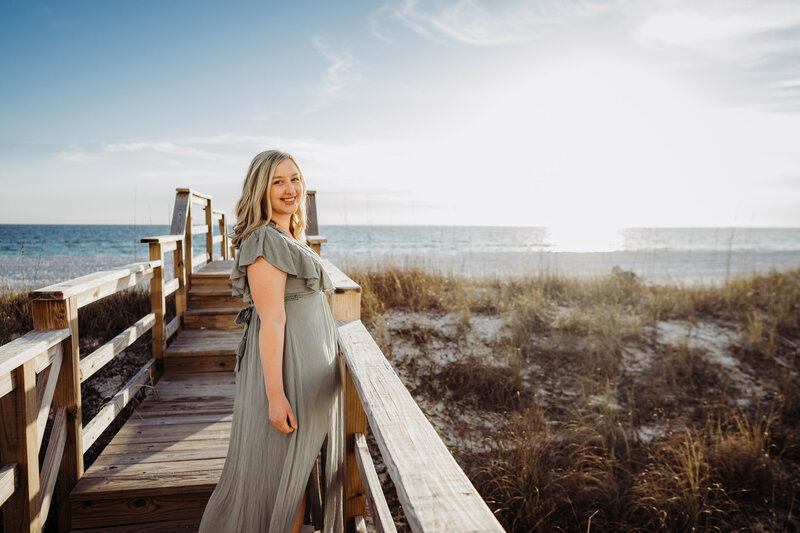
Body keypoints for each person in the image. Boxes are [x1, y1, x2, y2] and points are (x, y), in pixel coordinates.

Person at [198, 150, 344, 533]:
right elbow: (273, 320)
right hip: (287, 371)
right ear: (261, 189)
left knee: (292, 476)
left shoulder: (286, 234)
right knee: (284, 476)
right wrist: (276, 395)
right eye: (278, 181)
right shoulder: (265, 239)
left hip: (305, 368)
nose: (290, 188)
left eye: (295, 178)